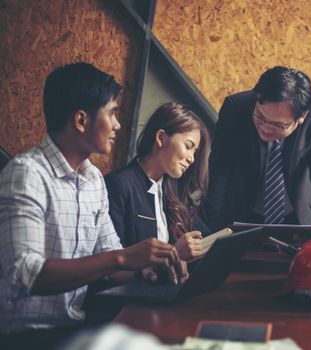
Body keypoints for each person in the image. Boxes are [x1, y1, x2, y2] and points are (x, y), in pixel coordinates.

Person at [0, 63, 185, 348]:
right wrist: (123, 258)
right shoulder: (26, 173)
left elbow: (110, 259)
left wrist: (145, 268)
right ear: (81, 121)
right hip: (27, 336)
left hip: (75, 327)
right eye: (112, 112)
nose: (118, 125)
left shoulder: (94, 179)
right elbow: (26, 274)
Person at [202, 66, 311, 231]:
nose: (265, 128)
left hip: (299, 218)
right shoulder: (236, 107)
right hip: (242, 215)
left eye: (278, 124)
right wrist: (213, 230)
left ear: (302, 117)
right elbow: (220, 172)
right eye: (260, 116)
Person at [105, 102, 210, 264]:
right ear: (161, 138)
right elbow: (112, 265)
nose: (192, 158)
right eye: (188, 146)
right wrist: (175, 254)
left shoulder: (173, 191)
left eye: (194, 152)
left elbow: (208, 238)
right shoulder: (118, 185)